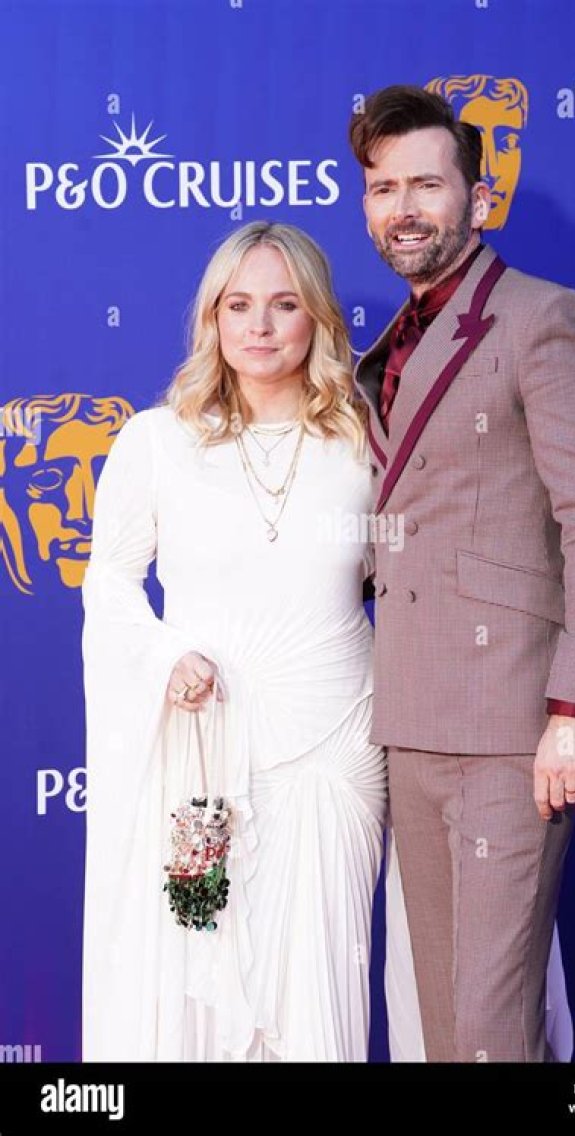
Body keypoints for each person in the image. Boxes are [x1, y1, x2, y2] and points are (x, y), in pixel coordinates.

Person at [349, 85, 575, 1062]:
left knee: (489, 1024)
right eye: (383, 188)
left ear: (477, 198)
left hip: (511, 725)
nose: (403, 209)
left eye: (426, 184)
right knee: (444, 1023)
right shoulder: (384, 350)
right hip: (410, 722)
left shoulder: (541, 317)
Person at [81, 221, 387, 1062]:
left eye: (284, 304)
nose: (260, 325)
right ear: (212, 318)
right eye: (239, 305)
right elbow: (108, 584)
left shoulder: (366, 440)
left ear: (318, 317)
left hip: (335, 749)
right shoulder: (157, 440)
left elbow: (409, 577)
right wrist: (162, 659)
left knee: (319, 987)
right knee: (197, 976)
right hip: (201, 754)